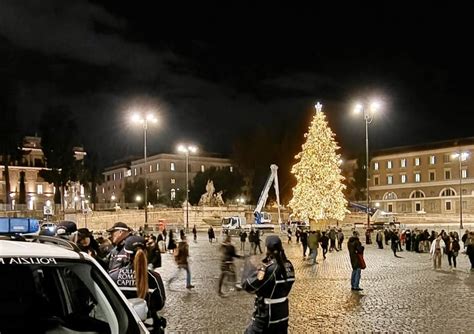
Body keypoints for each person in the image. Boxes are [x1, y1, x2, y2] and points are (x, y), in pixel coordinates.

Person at [109, 236, 166, 333]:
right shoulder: (154, 277)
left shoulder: (113, 276)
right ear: (146, 252)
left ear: (126, 254)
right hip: (148, 327)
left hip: (122, 327)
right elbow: (160, 303)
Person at [242, 235, 295, 334]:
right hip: (283, 313)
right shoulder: (289, 265)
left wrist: (248, 266)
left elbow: (248, 285)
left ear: (267, 248)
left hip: (268, 314)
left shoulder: (270, 269)